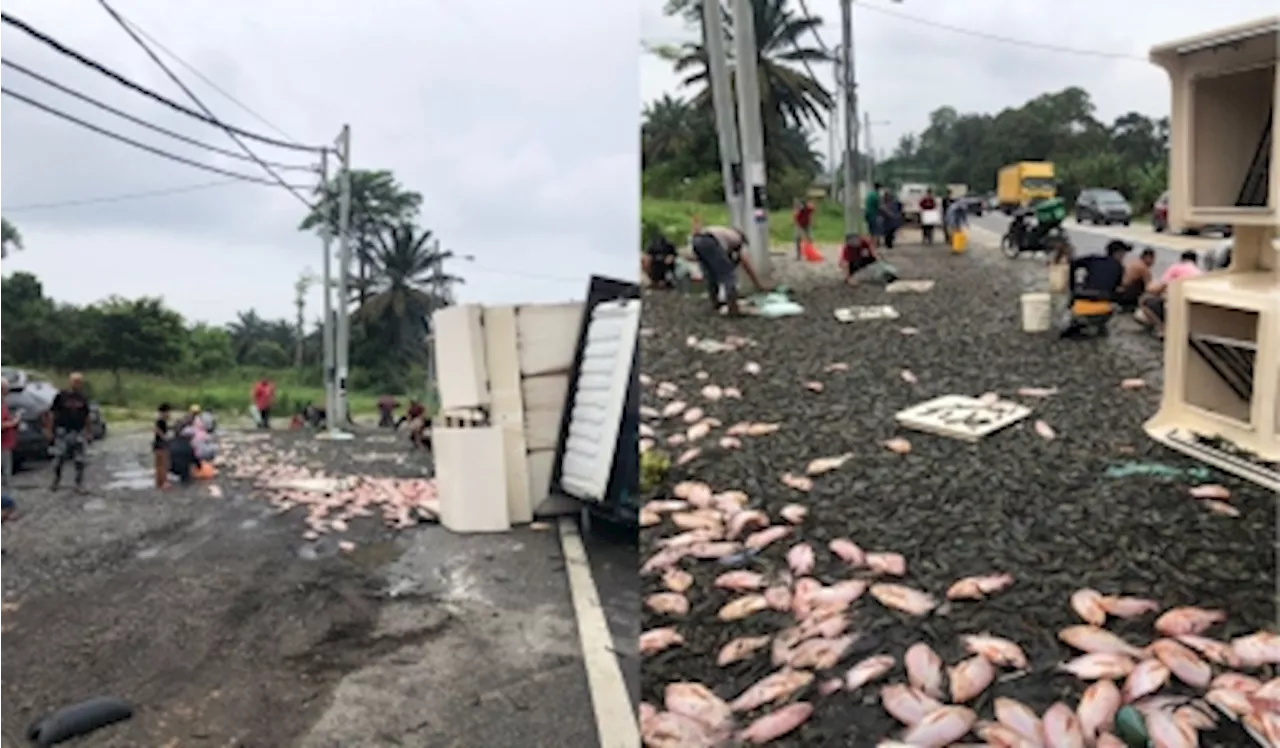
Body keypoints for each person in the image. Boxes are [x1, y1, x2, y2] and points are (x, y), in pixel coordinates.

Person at [689, 225, 767, 316]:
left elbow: (725, 259)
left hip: (696, 241)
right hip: (711, 241)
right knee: (728, 275)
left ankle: (715, 303)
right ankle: (733, 308)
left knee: (711, 275)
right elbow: (745, 263)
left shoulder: (725, 234)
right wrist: (758, 285)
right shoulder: (738, 241)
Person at [1060, 241, 1131, 339]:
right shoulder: (1119, 267)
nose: (1124, 257)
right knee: (1116, 300)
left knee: (1079, 289)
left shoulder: (1093, 259)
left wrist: (1072, 285)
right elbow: (1116, 289)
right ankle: (1098, 323)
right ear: (1118, 253)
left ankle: (1074, 318)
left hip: (1081, 299)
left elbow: (1072, 263)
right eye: (1123, 254)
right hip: (1102, 304)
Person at [1137, 250, 1204, 338]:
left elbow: (1158, 288)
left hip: (1176, 305)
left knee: (1144, 301)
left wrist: (1148, 287)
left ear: (1181, 260)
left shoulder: (1176, 268)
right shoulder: (1200, 273)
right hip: (1195, 308)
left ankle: (1162, 328)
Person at [46, 372, 92, 492]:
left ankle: (79, 483)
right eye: (75, 381)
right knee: (59, 457)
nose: (77, 384)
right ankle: (56, 479)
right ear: (70, 382)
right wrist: (50, 430)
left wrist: (88, 431)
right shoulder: (61, 396)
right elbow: (52, 413)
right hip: (62, 430)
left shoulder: (82, 398)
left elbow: (87, 415)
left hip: (78, 431)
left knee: (80, 459)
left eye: (79, 382)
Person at [1115, 247, 1156, 312]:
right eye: (1153, 259)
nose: (1153, 262)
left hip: (1117, 292)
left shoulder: (1133, 261)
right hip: (1125, 295)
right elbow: (1149, 287)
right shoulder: (1143, 267)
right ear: (1147, 257)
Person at [0, 380, 16, 491]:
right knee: (5, 470)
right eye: (6, 388)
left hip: (6, 443)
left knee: (6, 470)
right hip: (2, 444)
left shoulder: (3, 403)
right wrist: (14, 422)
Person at [153, 403, 172, 489]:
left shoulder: (159, 420)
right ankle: (164, 482)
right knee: (163, 464)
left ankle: (159, 482)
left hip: (157, 444)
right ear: (164, 412)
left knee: (158, 465)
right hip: (162, 444)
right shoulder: (161, 421)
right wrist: (164, 437)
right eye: (168, 412)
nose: (169, 414)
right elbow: (157, 430)